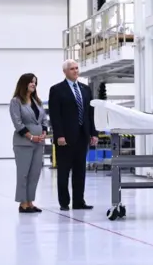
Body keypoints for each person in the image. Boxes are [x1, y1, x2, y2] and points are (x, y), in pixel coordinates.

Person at [48, 59, 99, 211]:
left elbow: (90, 114)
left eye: (77, 68)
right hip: (65, 138)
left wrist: (93, 133)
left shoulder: (85, 89)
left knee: (80, 171)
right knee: (64, 171)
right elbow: (55, 115)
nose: (76, 71)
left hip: (82, 136)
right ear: (65, 71)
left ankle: (78, 201)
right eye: (72, 69)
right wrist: (59, 135)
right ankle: (64, 202)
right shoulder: (57, 90)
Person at [9, 73, 48, 213]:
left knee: (35, 174)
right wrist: (31, 137)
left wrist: (43, 133)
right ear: (23, 83)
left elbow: (44, 120)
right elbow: (17, 123)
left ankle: (30, 202)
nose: (33, 84)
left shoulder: (37, 101)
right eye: (31, 82)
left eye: (35, 82)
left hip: (39, 143)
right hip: (23, 143)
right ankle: (23, 203)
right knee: (23, 173)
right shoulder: (16, 101)